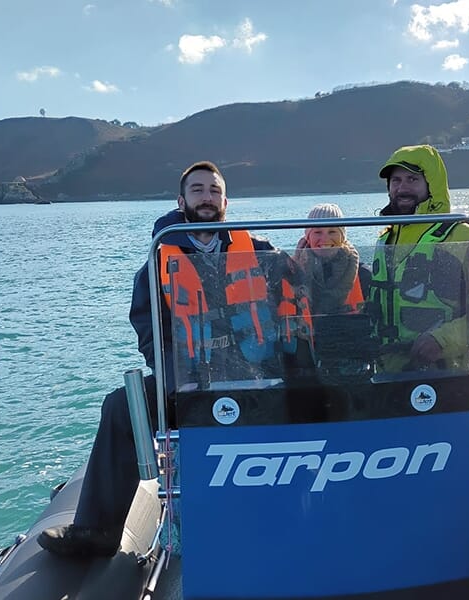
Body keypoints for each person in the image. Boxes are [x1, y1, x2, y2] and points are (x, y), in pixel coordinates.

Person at [38, 161, 307, 557]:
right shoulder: (156, 261)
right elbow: (148, 328)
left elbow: (300, 287)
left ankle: (305, 509)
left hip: (251, 378)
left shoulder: (260, 252)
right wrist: (174, 374)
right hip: (188, 380)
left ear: (225, 201)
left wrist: (320, 258)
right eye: (197, 190)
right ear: (181, 201)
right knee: (120, 407)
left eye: (214, 191)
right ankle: (97, 531)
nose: (206, 197)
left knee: (309, 395)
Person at [371, 144, 469, 403]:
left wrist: (441, 340)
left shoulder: (466, 235)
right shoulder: (385, 240)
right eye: (396, 180)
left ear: (432, 184)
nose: (402, 187)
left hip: (456, 378)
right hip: (392, 378)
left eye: (413, 179)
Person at [293, 203, 369, 315]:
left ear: (342, 237)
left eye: (332, 231)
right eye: (318, 232)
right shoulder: (290, 273)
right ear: (308, 237)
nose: (325, 239)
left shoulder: (364, 275)